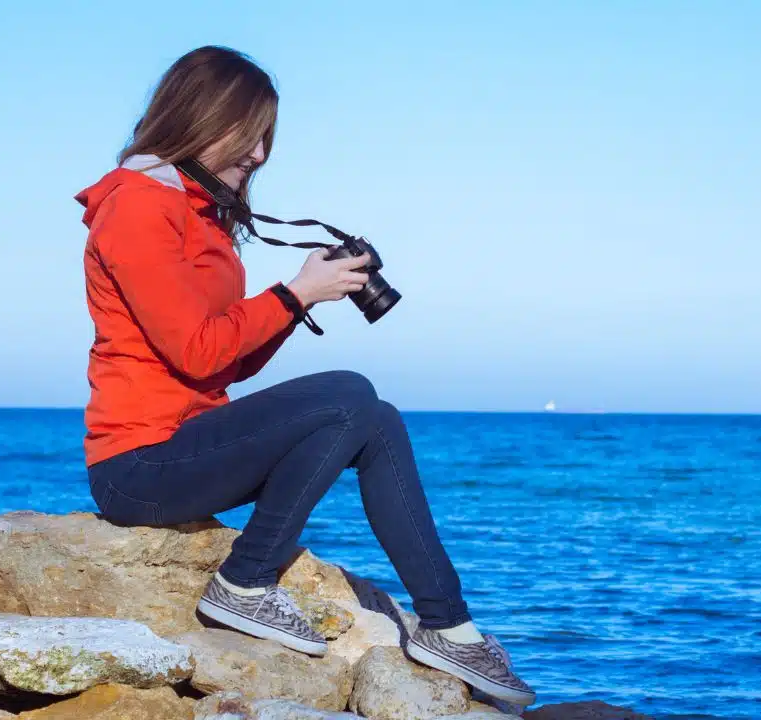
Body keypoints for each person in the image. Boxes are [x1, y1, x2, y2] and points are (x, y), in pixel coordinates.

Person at [74, 46, 535, 705]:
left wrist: (306, 299)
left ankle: (447, 625)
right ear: (202, 117)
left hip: (194, 446)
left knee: (373, 419)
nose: (261, 153)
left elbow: (228, 361)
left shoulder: (197, 212)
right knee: (350, 393)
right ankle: (245, 583)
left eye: (268, 137)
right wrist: (295, 294)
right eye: (251, 132)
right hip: (138, 465)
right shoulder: (138, 206)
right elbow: (198, 354)